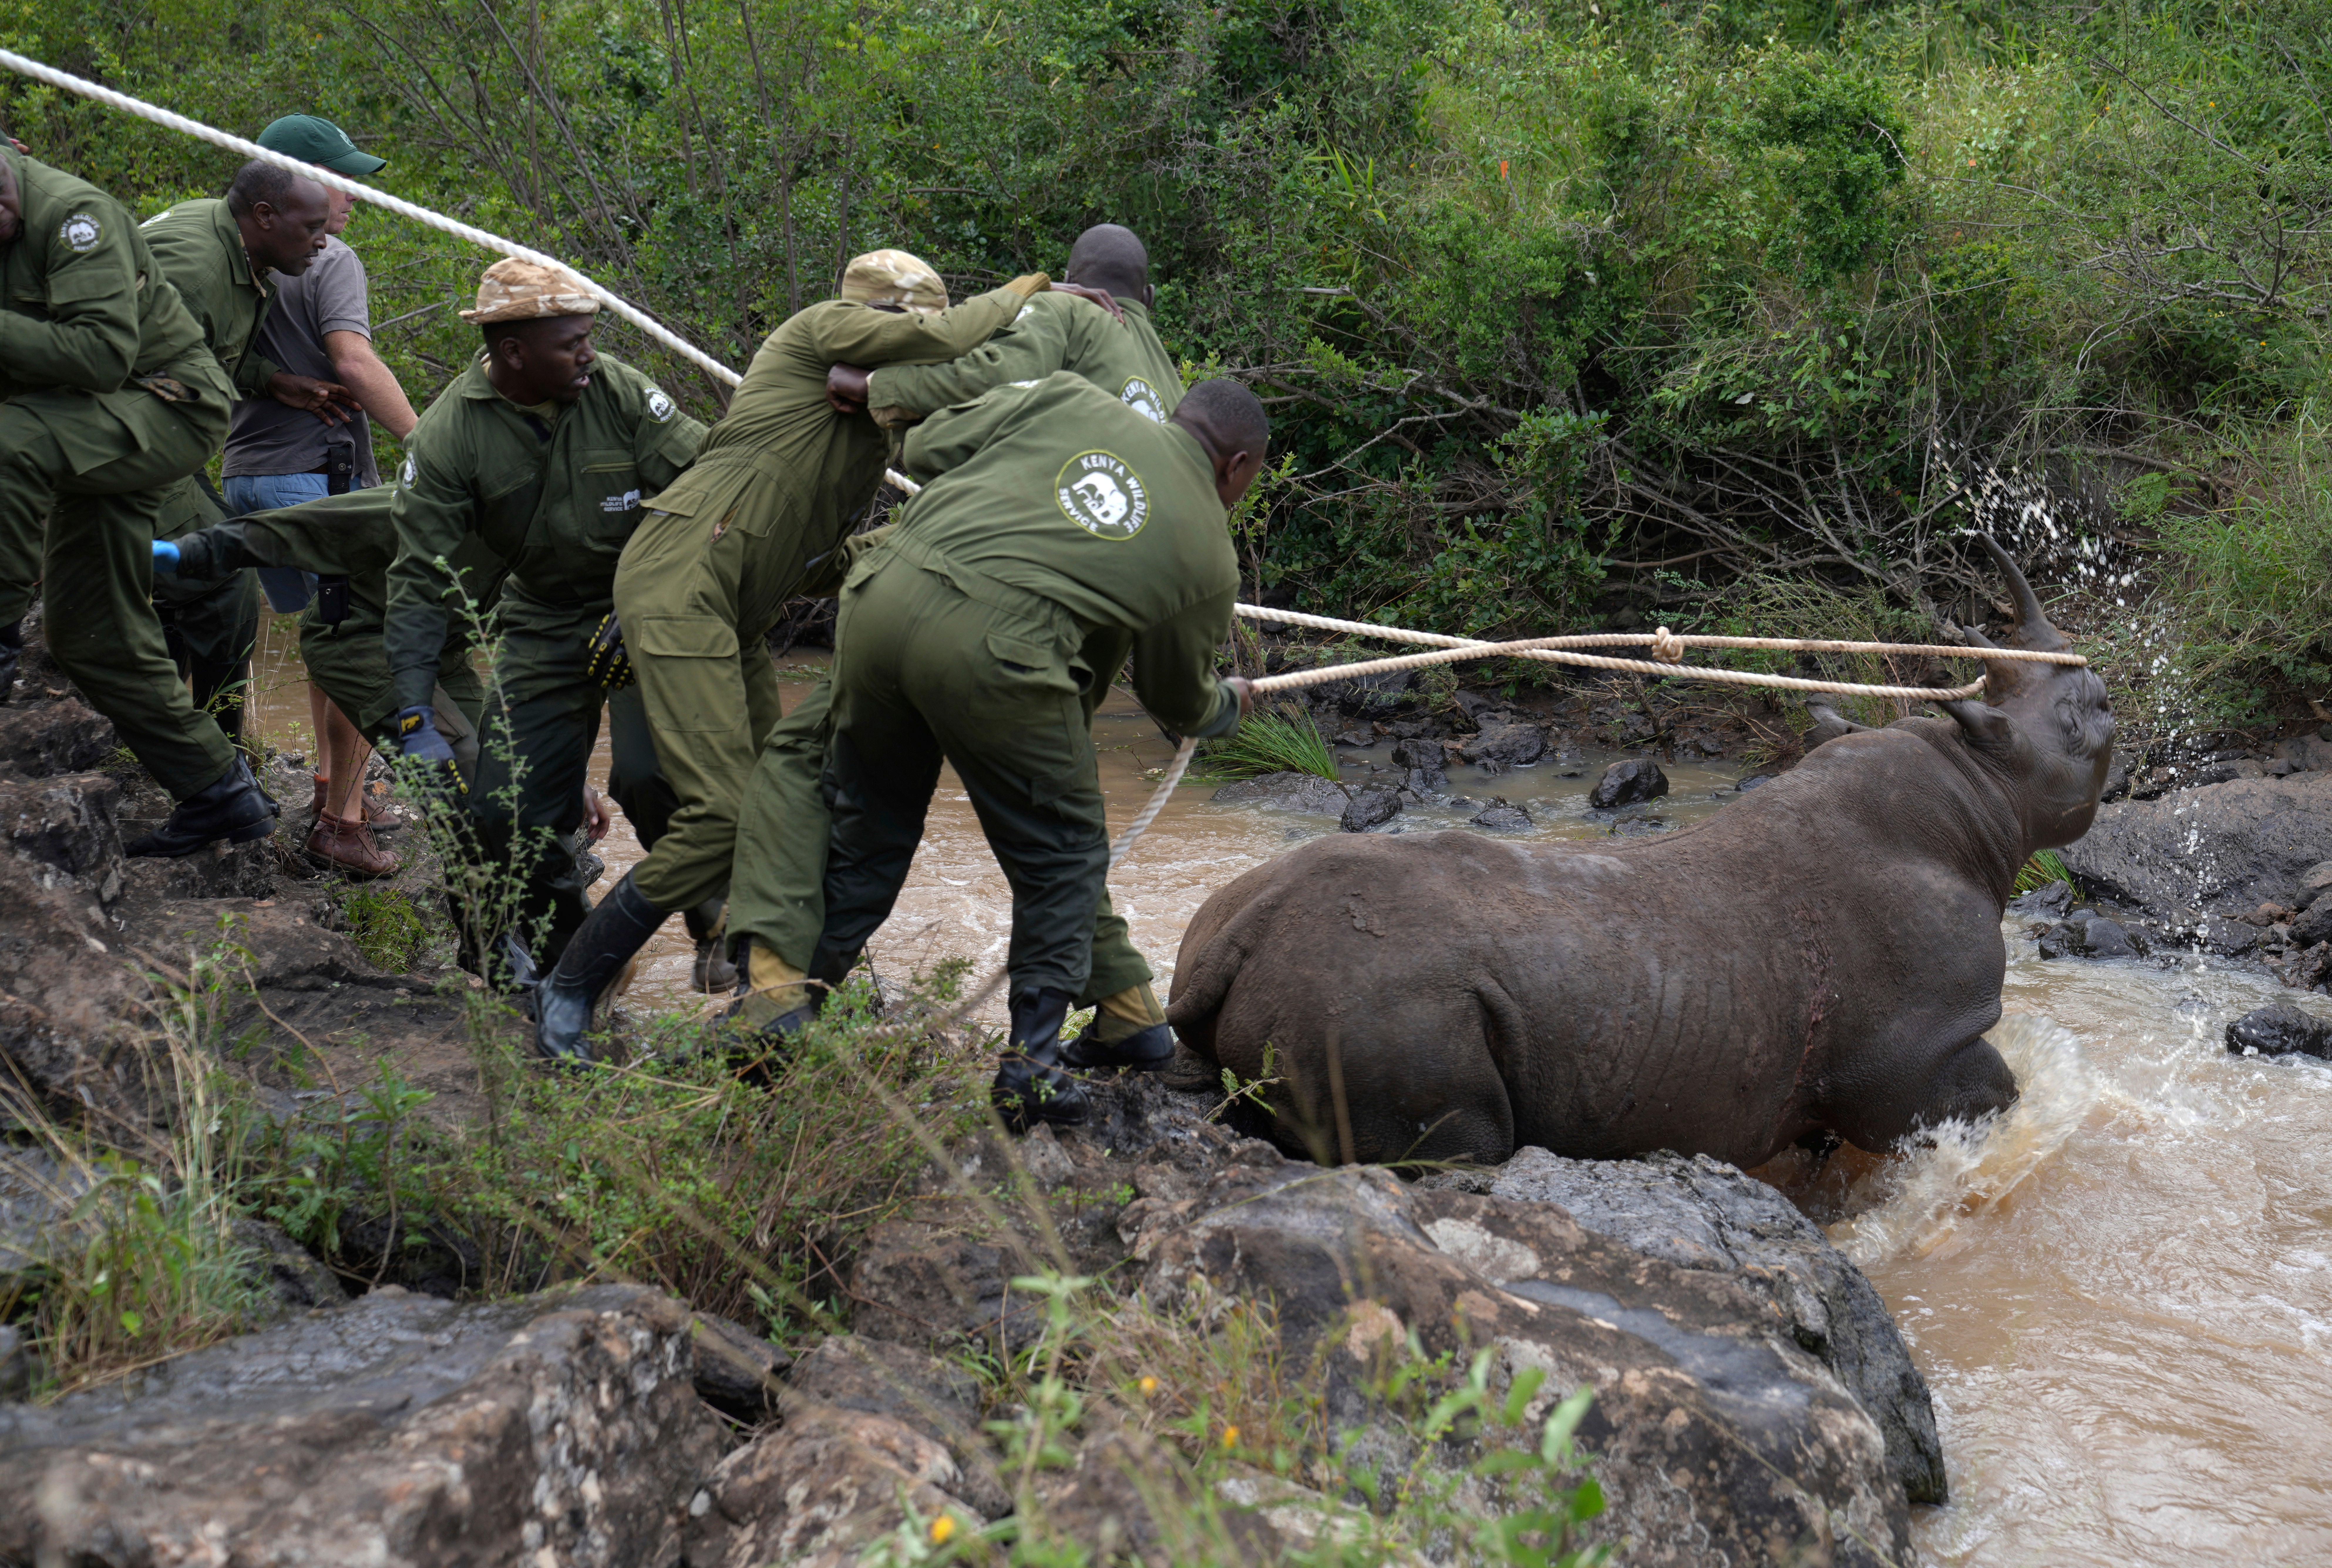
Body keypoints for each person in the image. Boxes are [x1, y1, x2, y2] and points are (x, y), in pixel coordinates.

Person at [527, 249, 1081, 1061]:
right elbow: (952, 340)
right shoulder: (814, 331)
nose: (912, 343)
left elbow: (811, 557)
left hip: (735, 610)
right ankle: (570, 987)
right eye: (904, 328)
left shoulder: (865, 423)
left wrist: (922, 544)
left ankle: (755, 971)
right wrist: (1039, 292)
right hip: (684, 580)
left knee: (774, 802)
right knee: (720, 814)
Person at [724, 224, 1187, 1068]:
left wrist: (881, 389)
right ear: (1145, 299)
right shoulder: (1159, 372)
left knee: (808, 757)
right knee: (1049, 829)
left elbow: (976, 394)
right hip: (1082, 629)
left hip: (982, 596)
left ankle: (779, 991)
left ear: (1083, 284)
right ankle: (1126, 1006)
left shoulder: (1066, 315)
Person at [800, 373, 1265, 1128]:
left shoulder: (1076, 400)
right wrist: (1227, 706)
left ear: (1180, 418)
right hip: (996, 653)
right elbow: (1176, 699)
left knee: (866, 836)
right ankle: (1033, 1068)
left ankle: (779, 1021)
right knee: (1067, 859)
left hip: (878, 600)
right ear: (1236, 467)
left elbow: (930, 441)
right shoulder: (1208, 555)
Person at [383, 256, 706, 1005]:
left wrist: (650, 594)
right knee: (505, 812)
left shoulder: (619, 390)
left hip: (647, 607)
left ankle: (717, 923)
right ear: (512, 351)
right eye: (571, 343)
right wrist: (413, 712)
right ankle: (577, 970)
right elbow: (420, 576)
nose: (589, 354)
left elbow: (706, 486)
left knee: (650, 777)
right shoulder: (448, 436)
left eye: (590, 337)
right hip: (541, 620)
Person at [0, 140, 279, 855]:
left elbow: (99, 356)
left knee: (7, 440)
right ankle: (220, 793)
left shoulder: (74, 217)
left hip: (165, 408)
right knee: (90, 632)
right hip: (84, 425)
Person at [224, 113, 420, 877]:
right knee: (370, 640)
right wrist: (430, 445)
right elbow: (356, 363)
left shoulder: (240, 257)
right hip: (322, 479)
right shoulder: (328, 258)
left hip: (246, 476)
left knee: (327, 642)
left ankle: (333, 789)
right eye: (344, 182)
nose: (354, 200)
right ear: (297, 180)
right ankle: (340, 822)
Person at [137, 160, 339, 772]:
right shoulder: (195, 268)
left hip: (159, 439)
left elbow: (198, 352)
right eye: (312, 228)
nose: (324, 242)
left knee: (181, 577)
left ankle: (164, 742)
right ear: (264, 217)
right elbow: (121, 374)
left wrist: (270, 381)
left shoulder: (240, 253)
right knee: (224, 570)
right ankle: (221, 760)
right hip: (125, 445)